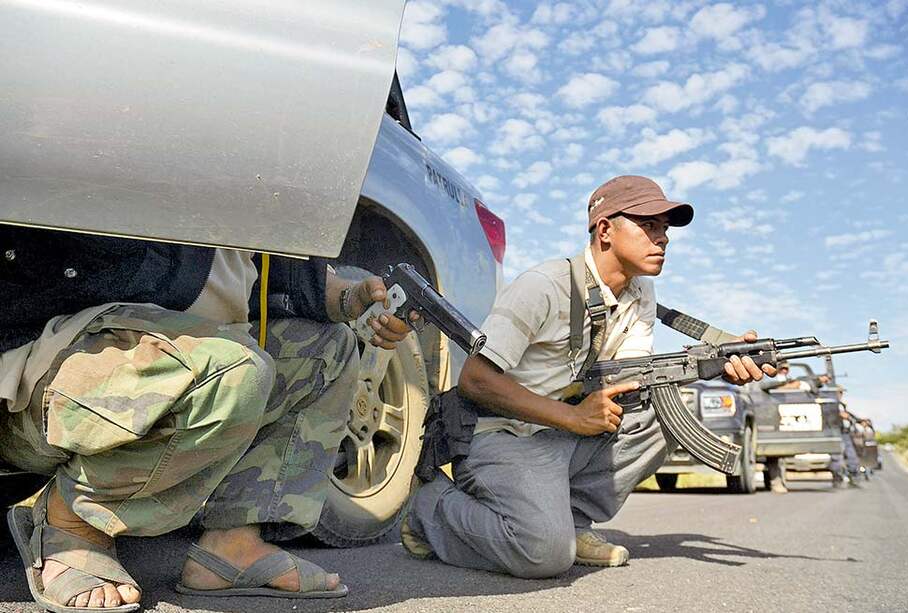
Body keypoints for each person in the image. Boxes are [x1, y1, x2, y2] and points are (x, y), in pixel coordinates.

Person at [0, 224, 414, 610]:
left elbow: (289, 280)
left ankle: (233, 544)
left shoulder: (253, 187)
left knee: (329, 346)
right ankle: (73, 523)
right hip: (42, 384)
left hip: (175, 369)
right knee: (234, 370)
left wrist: (352, 297)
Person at [401, 175, 774, 578]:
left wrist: (715, 367)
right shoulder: (545, 286)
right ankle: (432, 508)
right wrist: (575, 419)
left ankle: (573, 523)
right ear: (605, 230)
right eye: (649, 225)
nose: (662, 239)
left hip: (558, 435)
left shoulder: (640, 295)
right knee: (543, 554)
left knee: (657, 417)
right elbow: (476, 379)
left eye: (664, 229)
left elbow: (631, 382)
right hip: (500, 435)